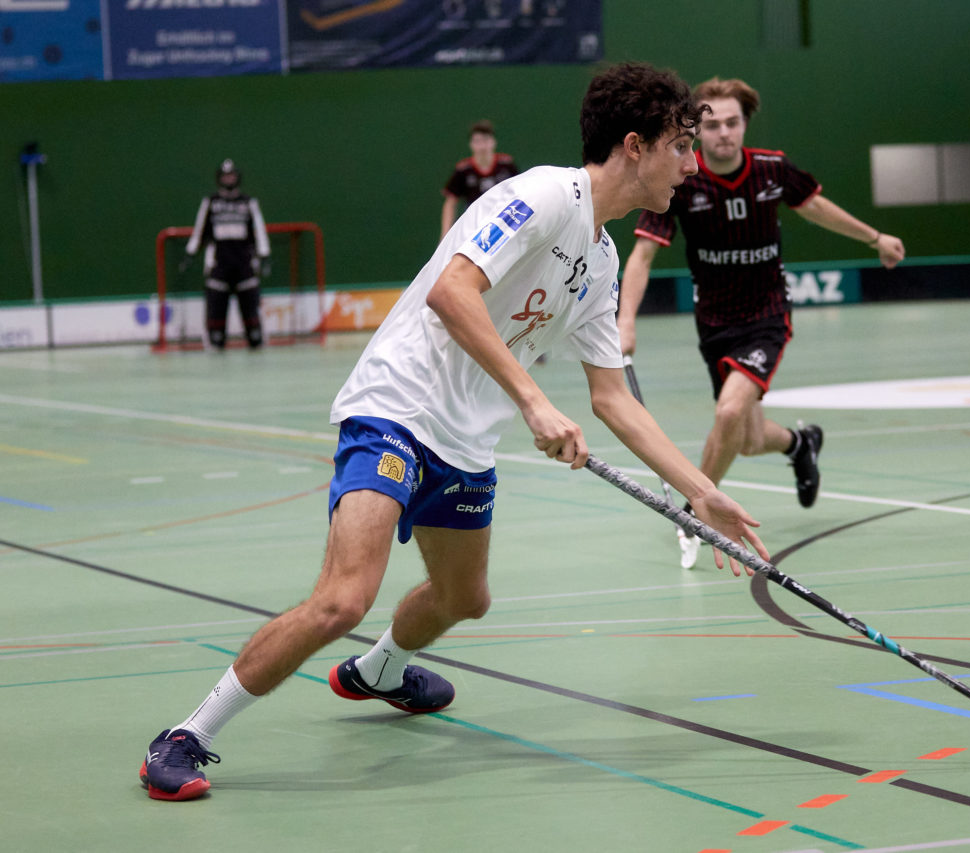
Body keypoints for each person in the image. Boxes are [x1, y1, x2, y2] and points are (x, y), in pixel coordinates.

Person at [138, 62, 768, 802]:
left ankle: (377, 670)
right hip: (397, 406)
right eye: (681, 146)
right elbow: (451, 291)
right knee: (344, 598)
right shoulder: (543, 196)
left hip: (466, 439)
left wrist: (700, 493)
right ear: (635, 145)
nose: (691, 164)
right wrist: (534, 401)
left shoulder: (601, 259)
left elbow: (612, 398)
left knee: (465, 598)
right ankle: (185, 735)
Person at [615, 76, 904, 569]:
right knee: (746, 439)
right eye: (712, 125)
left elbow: (816, 208)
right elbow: (642, 256)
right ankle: (800, 443)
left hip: (766, 315)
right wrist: (626, 321)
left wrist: (874, 238)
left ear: (745, 124)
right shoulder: (682, 180)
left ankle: (695, 511)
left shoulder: (772, 168)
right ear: (697, 130)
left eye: (732, 123)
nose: (723, 133)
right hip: (714, 323)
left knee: (728, 414)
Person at [183, 159, 271, 350]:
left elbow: (259, 230)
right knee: (216, 315)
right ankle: (215, 341)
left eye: (232, 175)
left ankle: (255, 339)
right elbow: (199, 230)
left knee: (252, 319)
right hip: (219, 264)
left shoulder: (249, 202)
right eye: (225, 176)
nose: (229, 179)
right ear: (219, 178)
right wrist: (190, 252)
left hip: (245, 264)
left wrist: (264, 255)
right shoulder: (210, 202)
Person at [440, 120, 520, 240]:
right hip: (474, 228)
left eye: (486, 140)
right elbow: (450, 203)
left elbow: (519, 194)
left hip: (503, 224)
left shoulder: (507, 165)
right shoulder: (463, 170)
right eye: (477, 141)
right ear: (471, 144)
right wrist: (445, 235)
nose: (482, 146)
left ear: (493, 142)